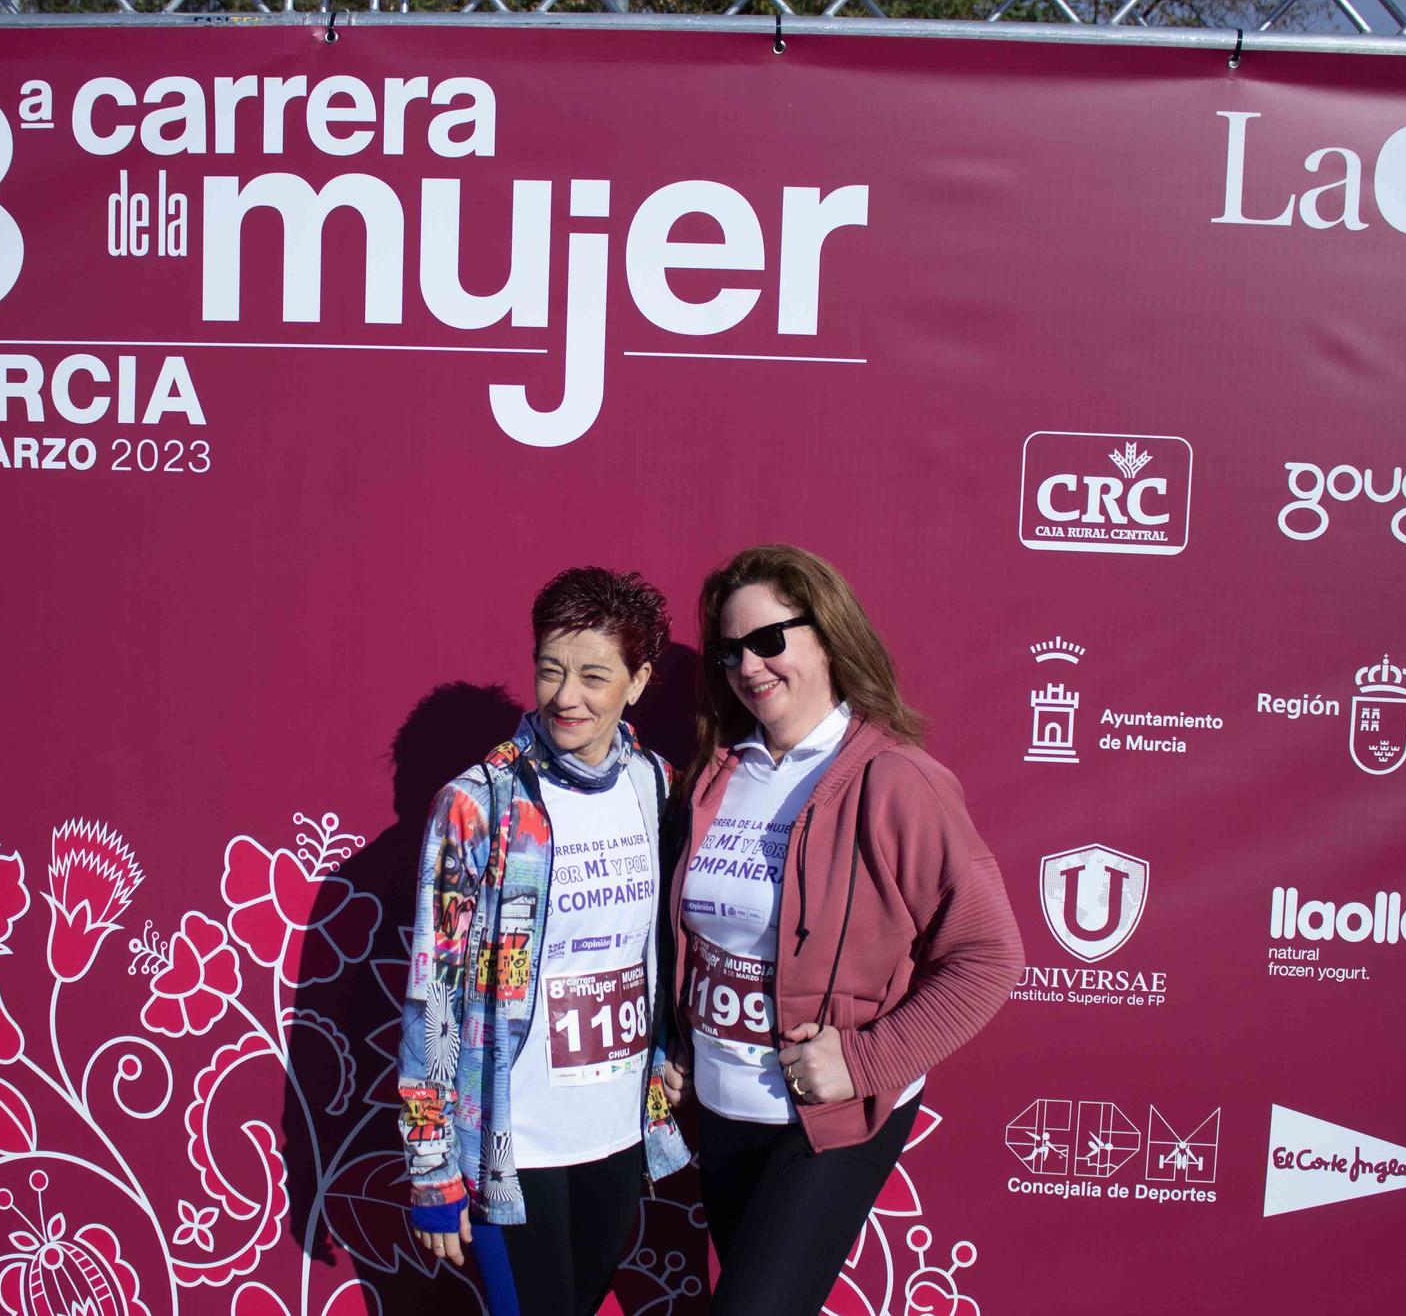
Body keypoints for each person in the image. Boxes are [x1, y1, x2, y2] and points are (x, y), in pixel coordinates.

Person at [662, 544, 1022, 1316]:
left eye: (769, 640)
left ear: (826, 634)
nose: (749, 666)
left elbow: (989, 953)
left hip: (825, 1119)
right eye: (730, 650)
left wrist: (865, 1058)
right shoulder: (720, 772)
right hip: (725, 1110)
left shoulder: (894, 778)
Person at [397, 567, 690, 1316]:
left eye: (595, 675)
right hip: (512, 1146)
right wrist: (432, 1164)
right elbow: (435, 992)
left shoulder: (658, 788)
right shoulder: (478, 803)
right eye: (551, 669)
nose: (567, 696)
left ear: (639, 679)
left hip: (619, 1134)